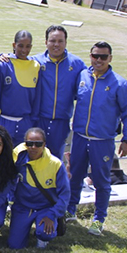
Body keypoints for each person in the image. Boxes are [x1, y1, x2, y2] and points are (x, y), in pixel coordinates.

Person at [67, 42, 127, 235]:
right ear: (90, 56)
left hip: (103, 141)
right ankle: (70, 210)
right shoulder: (82, 76)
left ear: (110, 59)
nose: (98, 60)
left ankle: (98, 219)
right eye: (95, 56)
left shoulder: (119, 84)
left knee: (101, 181)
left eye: (103, 57)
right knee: (75, 176)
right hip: (80, 137)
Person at [32, 25, 86, 159]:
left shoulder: (77, 64)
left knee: (55, 159)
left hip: (61, 122)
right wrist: (6, 56)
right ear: (46, 42)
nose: (56, 44)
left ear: (66, 43)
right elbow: (17, 61)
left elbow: (88, 85)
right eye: (52, 41)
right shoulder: (35, 62)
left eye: (60, 41)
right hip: (39, 120)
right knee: (35, 157)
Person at [10, 128, 69, 249]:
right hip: (23, 207)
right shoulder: (18, 159)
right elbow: (8, 179)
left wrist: (53, 214)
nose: (33, 147)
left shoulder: (56, 164)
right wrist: (10, 198)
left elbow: (65, 194)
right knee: (14, 245)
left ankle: (42, 237)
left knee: (45, 233)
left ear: (44, 145)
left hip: (45, 208)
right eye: (29, 143)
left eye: (38, 144)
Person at [0, 30, 41, 145]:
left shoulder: (36, 66)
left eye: (27, 46)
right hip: (4, 121)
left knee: (21, 159)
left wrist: (32, 120)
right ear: (14, 45)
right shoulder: (4, 64)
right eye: (20, 46)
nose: (24, 50)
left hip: (25, 123)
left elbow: (37, 97)